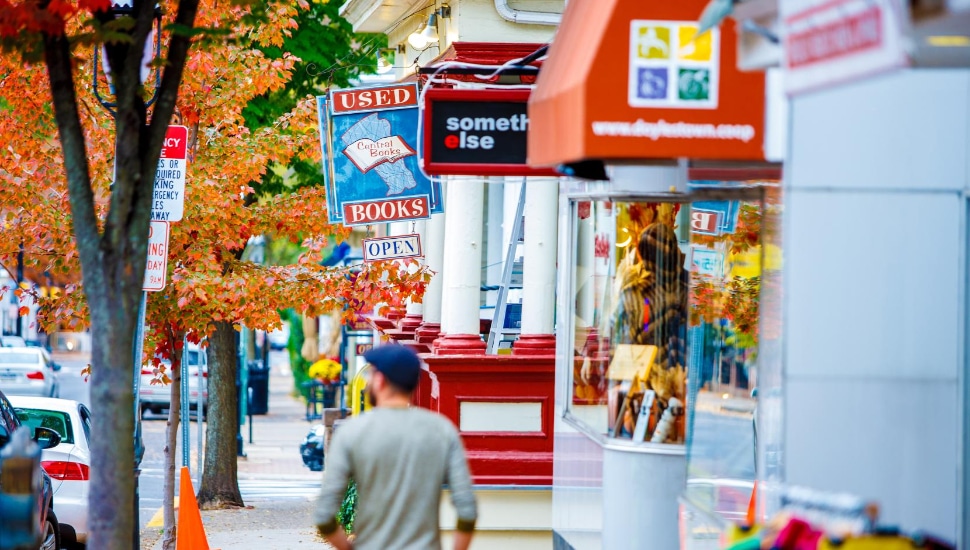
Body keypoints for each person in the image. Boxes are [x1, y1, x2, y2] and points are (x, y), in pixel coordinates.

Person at [314, 344, 478, 550]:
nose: (367, 382)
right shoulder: (441, 430)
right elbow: (467, 510)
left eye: (371, 375)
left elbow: (324, 516)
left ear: (380, 380)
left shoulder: (352, 432)